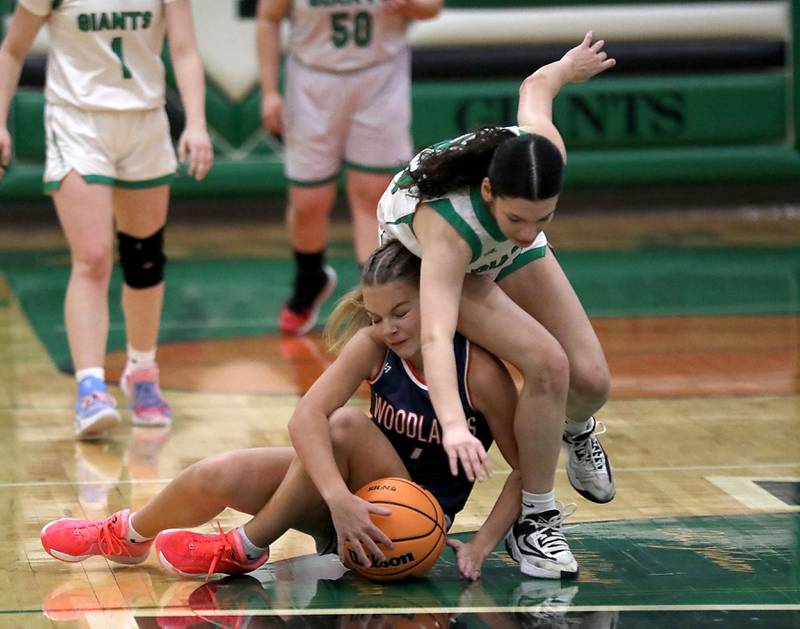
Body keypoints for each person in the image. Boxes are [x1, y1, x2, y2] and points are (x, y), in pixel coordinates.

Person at [40, 241, 579, 581]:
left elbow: (530, 467)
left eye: (402, 311)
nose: (388, 326)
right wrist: (338, 499)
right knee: (220, 472)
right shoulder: (374, 345)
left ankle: (249, 544)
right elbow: (303, 418)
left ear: (436, 299)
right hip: (348, 501)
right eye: (376, 314)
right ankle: (128, 536)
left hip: (408, 521)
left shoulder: (478, 371)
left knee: (345, 424)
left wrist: (481, 545)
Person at [376, 33, 618, 535]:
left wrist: (568, 66)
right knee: (547, 361)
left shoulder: (540, 159)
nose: (531, 232)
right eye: (519, 219)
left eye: (543, 218)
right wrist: (452, 424)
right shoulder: (449, 226)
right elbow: (435, 335)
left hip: (492, 237)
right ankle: (536, 520)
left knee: (591, 381)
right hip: (429, 250)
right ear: (488, 191)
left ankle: (577, 428)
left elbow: (536, 87)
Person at [0, 1, 213, 439]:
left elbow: (185, 48)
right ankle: (91, 387)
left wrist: (196, 122)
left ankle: (142, 369)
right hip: (77, 121)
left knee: (144, 258)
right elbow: (12, 50)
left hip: (144, 121)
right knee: (93, 256)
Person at [255, 0, 442, 335]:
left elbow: (431, 7)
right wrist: (269, 91)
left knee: (372, 199)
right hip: (311, 82)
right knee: (308, 204)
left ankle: (372, 301)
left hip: (380, 78)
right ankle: (310, 278)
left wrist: (410, 5)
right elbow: (268, 18)